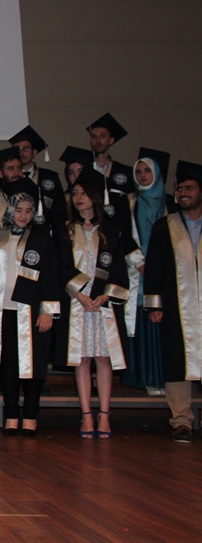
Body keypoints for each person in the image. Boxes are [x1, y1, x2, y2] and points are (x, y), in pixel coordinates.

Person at [0, 178, 61, 437]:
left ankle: (31, 415)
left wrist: (47, 310)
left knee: (34, 366)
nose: (23, 215)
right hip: (3, 311)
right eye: (19, 210)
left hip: (32, 313)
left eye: (28, 210)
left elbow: (51, 276)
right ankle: (12, 413)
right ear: (10, 210)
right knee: (8, 366)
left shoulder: (42, 238)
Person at [55, 170, 134, 439]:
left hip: (102, 305)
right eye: (75, 193)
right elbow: (62, 267)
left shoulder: (110, 231)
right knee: (82, 359)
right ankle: (86, 414)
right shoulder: (66, 230)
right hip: (77, 304)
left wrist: (105, 296)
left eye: (84, 193)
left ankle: (105, 415)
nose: (79, 198)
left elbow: (119, 270)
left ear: (95, 197)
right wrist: (79, 295)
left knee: (103, 358)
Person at [143, 160, 202, 444]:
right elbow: (154, 269)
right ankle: (181, 421)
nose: (182, 193)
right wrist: (154, 305)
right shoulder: (165, 226)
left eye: (189, 188)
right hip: (178, 307)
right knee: (177, 360)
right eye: (179, 190)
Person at [122, 148, 174, 395]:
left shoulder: (170, 202)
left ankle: (166, 379)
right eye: (138, 172)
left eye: (147, 171)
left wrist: (160, 265)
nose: (142, 176)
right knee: (144, 324)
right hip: (138, 271)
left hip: (167, 271)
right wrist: (140, 262)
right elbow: (124, 235)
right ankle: (147, 378)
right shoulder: (129, 202)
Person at [9, 125, 65, 220]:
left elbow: (60, 209)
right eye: (18, 150)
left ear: (34, 152)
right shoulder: (7, 178)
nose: (21, 153)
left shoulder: (50, 177)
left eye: (26, 149)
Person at [87, 113, 135, 197]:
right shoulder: (84, 170)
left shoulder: (126, 172)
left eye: (103, 136)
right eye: (94, 137)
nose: (98, 141)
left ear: (111, 140)